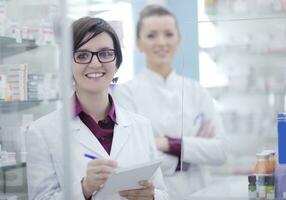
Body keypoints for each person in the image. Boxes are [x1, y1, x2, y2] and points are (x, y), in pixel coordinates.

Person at [26, 17, 168, 200]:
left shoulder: (141, 125)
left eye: (105, 53)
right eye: (82, 55)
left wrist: (152, 196)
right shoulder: (41, 132)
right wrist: (83, 189)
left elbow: (163, 192)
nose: (95, 64)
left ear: (116, 62)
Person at [112, 5, 227, 198]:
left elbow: (220, 151)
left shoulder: (197, 91)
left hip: (202, 191)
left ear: (178, 40)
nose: (161, 42)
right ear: (138, 43)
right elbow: (135, 159)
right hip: (157, 193)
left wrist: (166, 143)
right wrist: (193, 152)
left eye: (168, 34)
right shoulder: (125, 94)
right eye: (151, 35)